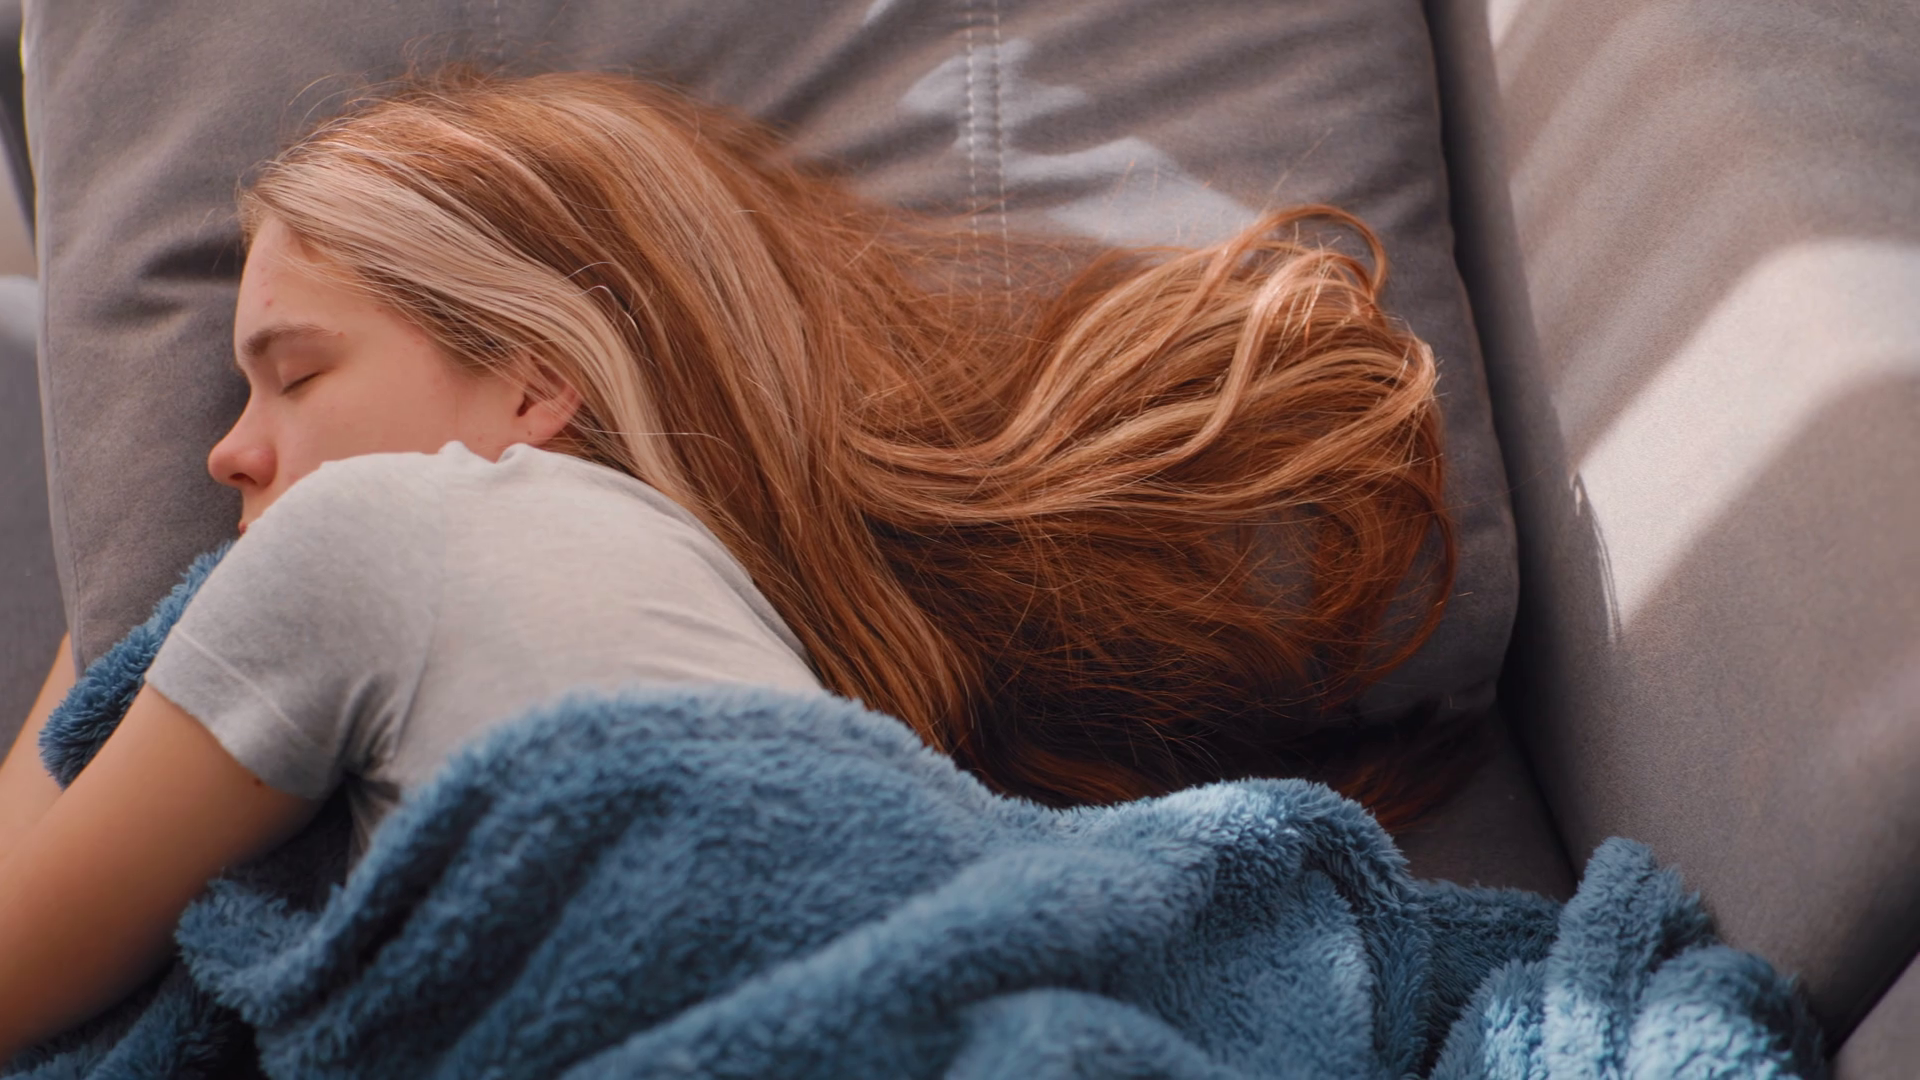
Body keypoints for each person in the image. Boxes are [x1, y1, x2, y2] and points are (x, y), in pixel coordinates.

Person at [0, 65, 1460, 1054]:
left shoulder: (375, 534)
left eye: (294, 374)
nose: (224, 452)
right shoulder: (748, 626)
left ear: (534, 376)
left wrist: (93, 613)